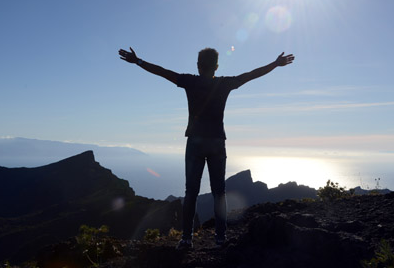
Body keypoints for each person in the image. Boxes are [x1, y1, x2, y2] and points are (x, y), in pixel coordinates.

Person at [118, 47, 294, 249]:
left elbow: (163, 72)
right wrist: (275, 64)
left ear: (198, 65)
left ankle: (186, 239)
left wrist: (138, 61)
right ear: (216, 67)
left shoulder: (190, 81)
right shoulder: (224, 83)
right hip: (217, 142)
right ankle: (220, 238)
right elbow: (251, 75)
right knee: (219, 193)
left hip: (195, 143)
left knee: (191, 192)